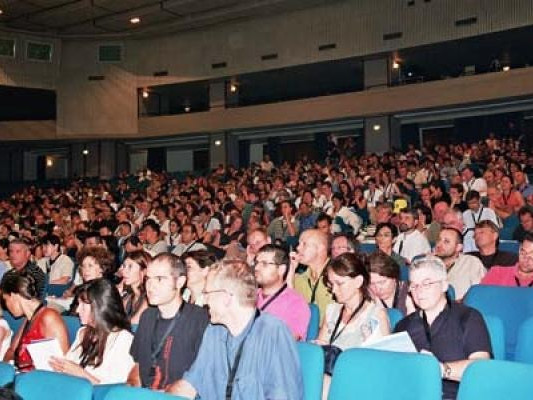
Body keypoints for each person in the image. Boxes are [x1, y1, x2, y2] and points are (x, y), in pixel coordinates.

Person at [168, 260, 303, 400]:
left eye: (207, 293)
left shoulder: (273, 333)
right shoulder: (214, 331)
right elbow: (191, 385)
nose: (205, 301)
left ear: (226, 298)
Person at [395, 255, 491, 400]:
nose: (419, 291)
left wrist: (440, 369)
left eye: (427, 284)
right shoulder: (403, 326)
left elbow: (481, 368)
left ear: (445, 285)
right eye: (414, 285)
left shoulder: (468, 318)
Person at [128, 253, 209, 391]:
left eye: (159, 279)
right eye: (148, 279)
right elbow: (138, 365)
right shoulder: (147, 316)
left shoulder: (200, 319)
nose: (150, 286)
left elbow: (201, 376)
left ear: (180, 282)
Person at [315, 253, 390, 397]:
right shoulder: (332, 311)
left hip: (359, 380)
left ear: (358, 282)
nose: (334, 290)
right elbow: (321, 354)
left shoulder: (376, 315)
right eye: (332, 284)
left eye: (340, 283)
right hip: (330, 378)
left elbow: (382, 364)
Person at [49, 279, 134, 384]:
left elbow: (114, 391)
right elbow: (68, 367)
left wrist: (81, 374)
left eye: (83, 305)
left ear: (99, 307)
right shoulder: (83, 333)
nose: (77, 310)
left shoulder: (123, 340)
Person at [1, 271, 69, 371]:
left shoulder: (49, 317)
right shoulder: (29, 319)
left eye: (5, 300)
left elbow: (63, 366)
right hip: (23, 377)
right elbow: (11, 351)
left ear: (14, 296)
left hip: (40, 381)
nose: (6, 306)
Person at [255, 244, 310, 340]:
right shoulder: (249, 296)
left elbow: (288, 342)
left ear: (281, 269)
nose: (256, 268)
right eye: (256, 262)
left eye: (264, 264)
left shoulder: (295, 302)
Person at [291, 229, 333, 322]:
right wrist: (291, 271)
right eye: (299, 244)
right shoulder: (299, 279)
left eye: (304, 244)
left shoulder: (337, 277)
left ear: (321, 248)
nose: (298, 248)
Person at [434, 227, 486, 300]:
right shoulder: (429, 264)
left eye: (446, 241)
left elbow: (479, 293)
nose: (439, 244)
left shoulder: (471, 262)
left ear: (458, 247)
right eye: (438, 240)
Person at [120, 251, 150, 324]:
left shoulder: (149, 298)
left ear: (144, 271)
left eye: (130, 266)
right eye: (124, 266)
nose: (124, 271)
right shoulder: (128, 297)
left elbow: (132, 323)